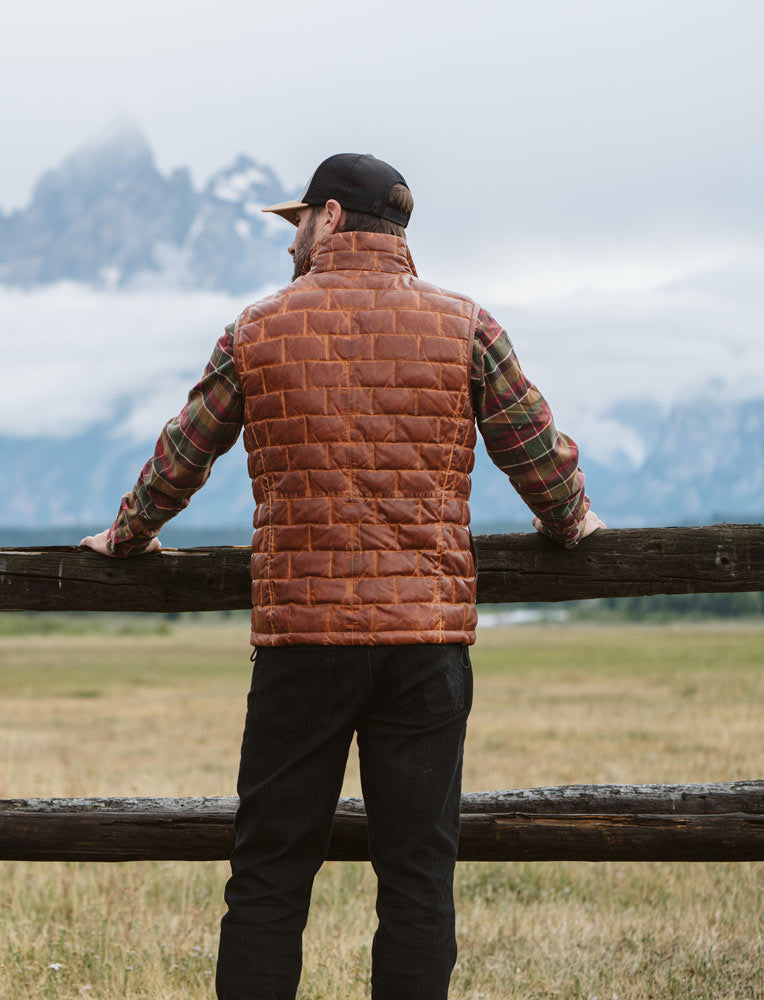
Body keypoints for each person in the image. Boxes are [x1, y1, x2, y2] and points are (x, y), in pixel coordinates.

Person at [79, 153, 604, 1000]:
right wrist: (571, 518)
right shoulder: (466, 324)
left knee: (269, 877)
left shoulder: (258, 328)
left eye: (298, 223)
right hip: (425, 645)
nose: (291, 240)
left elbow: (185, 450)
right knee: (418, 881)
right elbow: (535, 453)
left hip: (301, 643)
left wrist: (129, 533)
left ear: (329, 217)